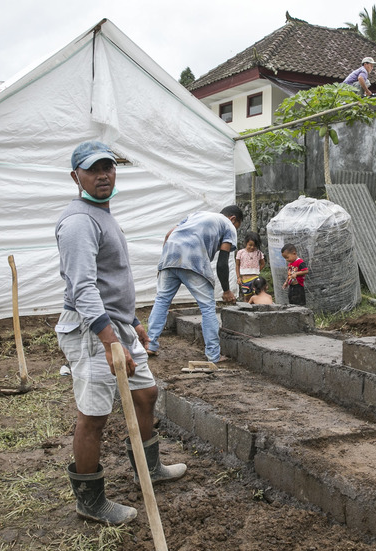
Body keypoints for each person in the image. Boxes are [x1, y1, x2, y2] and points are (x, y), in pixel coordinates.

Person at [55, 141, 186, 525]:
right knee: (94, 415)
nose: (102, 175)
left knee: (145, 394)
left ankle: (150, 468)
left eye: (108, 168)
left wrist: (133, 323)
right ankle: (90, 501)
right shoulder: (79, 221)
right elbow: (83, 288)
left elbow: (113, 279)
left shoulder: (103, 215)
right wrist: (110, 339)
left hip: (118, 326)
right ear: (75, 176)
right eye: (93, 169)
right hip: (92, 331)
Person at [146, 206, 242, 363]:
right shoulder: (228, 225)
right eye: (237, 225)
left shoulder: (196, 214)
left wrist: (162, 264)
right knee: (207, 307)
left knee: (162, 300)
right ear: (233, 219)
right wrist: (226, 290)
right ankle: (213, 355)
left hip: (170, 256)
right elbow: (223, 262)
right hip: (194, 259)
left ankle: (150, 344)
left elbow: (169, 235)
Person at [236, 231, 266, 302]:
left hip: (255, 279)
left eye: (254, 246)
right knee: (247, 297)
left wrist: (257, 270)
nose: (252, 247)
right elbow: (237, 265)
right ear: (245, 243)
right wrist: (238, 277)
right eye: (250, 245)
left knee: (257, 296)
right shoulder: (240, 253)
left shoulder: (258, 253)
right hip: (245, 280)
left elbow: (262, 263)